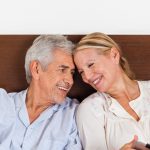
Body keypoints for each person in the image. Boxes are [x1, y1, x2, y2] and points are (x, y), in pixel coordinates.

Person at [0, 35, 82, 150]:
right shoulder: (3, 104)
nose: (70, 81)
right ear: (36, 69)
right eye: (62, 70)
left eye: (72, 73)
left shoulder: (74, 115)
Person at [73, 32, 150, 150]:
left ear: (114, 55)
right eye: (81, 72)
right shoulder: (90, 110)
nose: (87, 77)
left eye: (91, 64)